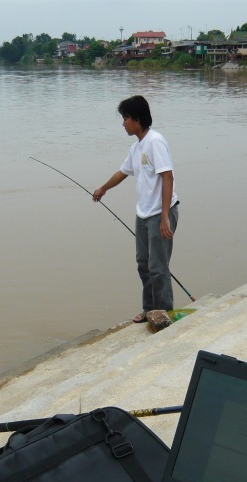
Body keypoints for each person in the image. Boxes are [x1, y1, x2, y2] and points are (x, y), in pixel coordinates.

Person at [93, 95, 179, 323]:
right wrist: (103, 188)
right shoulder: (136, 147)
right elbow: (122, 172)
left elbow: (167, 176)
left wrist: (164, 217)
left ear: (137, 119)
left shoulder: (155, 142)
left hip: (160, 214)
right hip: (143, 215)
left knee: (158, 267)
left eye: (126, 118)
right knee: (143, 264)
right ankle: (150, 309)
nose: (123, 123)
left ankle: (164, 313)